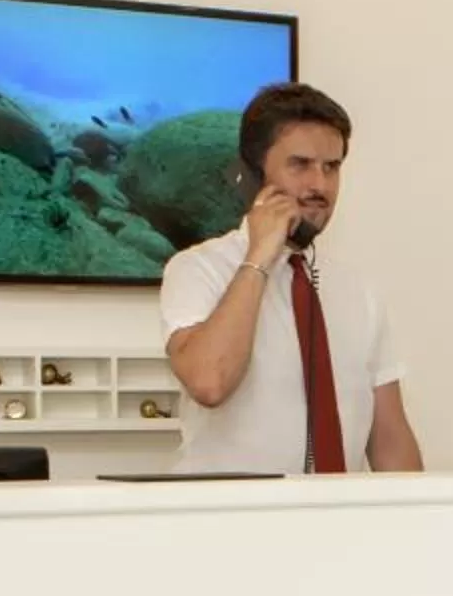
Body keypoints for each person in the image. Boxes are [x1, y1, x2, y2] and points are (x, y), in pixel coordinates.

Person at [159, 82, 422, 474]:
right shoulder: (197, 269)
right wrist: (260, 257)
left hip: (338, 523)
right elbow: (209, 380)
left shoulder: (357, 291)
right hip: (227, 527)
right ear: (250, 175)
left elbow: (389, 438)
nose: (320, 185)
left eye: (331, 167)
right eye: (300, 164)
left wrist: (418, 523)